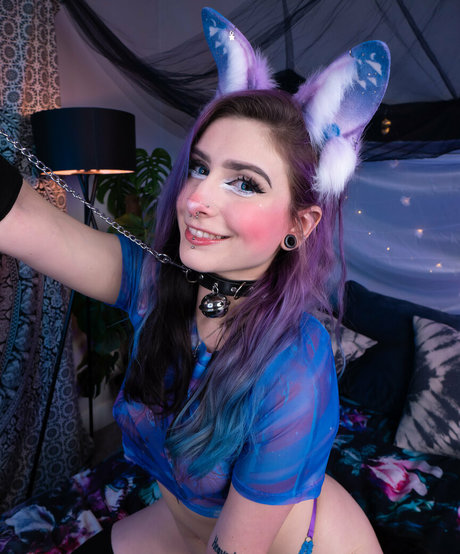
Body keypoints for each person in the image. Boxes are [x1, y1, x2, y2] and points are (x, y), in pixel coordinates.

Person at [0, 8, 390, 554]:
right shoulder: (159, 284)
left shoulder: (295, 368)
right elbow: (24, 222)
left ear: (299, 226)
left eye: (245, 183)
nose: (197, 199)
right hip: (178, 524)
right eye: (201, 168)